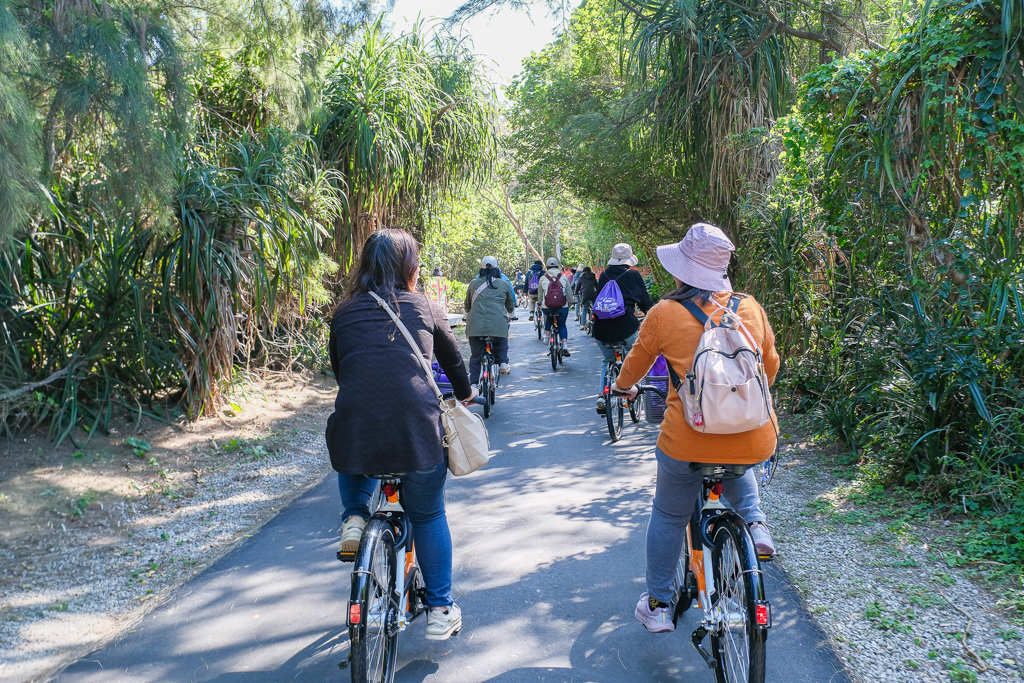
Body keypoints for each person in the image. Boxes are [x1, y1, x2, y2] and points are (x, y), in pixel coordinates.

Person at [610, 223, 779, 633]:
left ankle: (658, 605)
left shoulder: (664, 314)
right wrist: (736, 406)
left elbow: (634, 367)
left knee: (669, 516)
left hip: (687, 442)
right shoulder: (750, 308)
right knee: (739, 462)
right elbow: (769, 368)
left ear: (682, 269)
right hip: (755, 436)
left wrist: (621, 388)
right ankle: (754, 524)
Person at [326, 229, 477, 642]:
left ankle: (355, 517)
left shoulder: (344, 312)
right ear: (410, 267)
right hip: (418, 435)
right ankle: (441, 610)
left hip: (356, 429)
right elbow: (454, 364)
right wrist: (466, 394)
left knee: (356, 437)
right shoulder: (426, 307)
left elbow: (342, 372)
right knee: (428, 514)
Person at [593, 244, 653, 411]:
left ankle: (602, 395)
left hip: (600, 329)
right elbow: (644, 301)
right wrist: (651, 316)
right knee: (631, 356)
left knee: (607, 360)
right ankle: (628, 387)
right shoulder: (633, 275)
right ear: (629, 259)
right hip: (626, 327)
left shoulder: (604, 275)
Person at [465, 255, 515, 379]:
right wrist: (512, 315)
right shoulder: (503, 284)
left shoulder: (473, 283)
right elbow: (510, 305)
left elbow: (467, 304)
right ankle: (503, 362)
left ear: (481, 269)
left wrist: (465, 315)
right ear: (497, 269)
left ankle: (473, 384)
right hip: (497, 325)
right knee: (501, 341)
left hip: (475, 326)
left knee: (476, 357)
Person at [537, 257, 575, 356]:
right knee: (562, 324)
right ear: (557, 266)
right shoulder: (563, 278)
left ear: (547, 267)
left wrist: (540, 302)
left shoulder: (543, 278)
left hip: (547, 307)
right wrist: (572, 301)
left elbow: (540, 294)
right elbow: (569, 292)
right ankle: (565, 345)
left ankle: (547, 337)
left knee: (549, 317)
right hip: (562, 307)